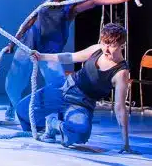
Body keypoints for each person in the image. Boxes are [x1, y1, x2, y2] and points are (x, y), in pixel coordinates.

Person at [4, 0, 140, 121]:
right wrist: (12, 43)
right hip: (27, 45)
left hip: (49, 52)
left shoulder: (69, 8)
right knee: (13, 83)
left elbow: (94, 1)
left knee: (58, 86)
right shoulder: (45, 4)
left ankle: (55, 118)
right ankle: (14, 106)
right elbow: (28, 23)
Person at [17, 23, 136, 153]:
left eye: (112, 45)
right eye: (104, 44)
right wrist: (42, 56)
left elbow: (119, 107)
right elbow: (70, 57)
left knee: (80, 134)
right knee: (22, 110)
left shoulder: (121, 72)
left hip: (81, 104)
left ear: (122, 45)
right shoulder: (97, 49)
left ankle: (53, 123)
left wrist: (126, 144)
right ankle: (56, 120)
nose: (106, 49)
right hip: (64, 89)